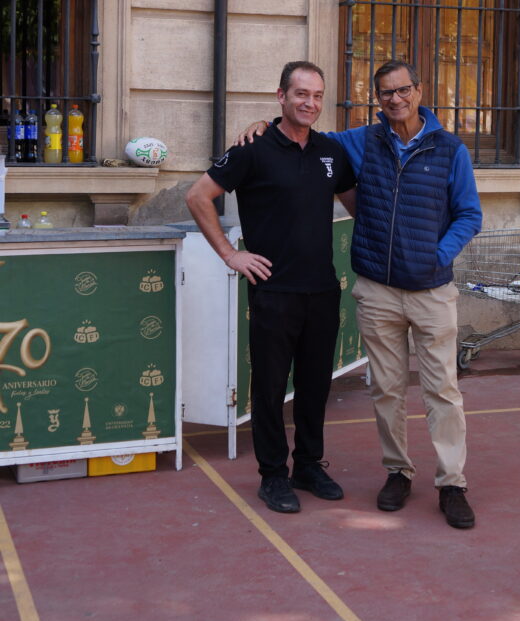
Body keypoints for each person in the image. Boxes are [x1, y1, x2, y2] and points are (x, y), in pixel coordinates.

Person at [238, 60, 483, 529]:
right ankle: (397, 473)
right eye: (386, 93)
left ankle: (452, 483)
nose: (395, 99)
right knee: (386, 389)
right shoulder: (357, 142)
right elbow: (301, 129)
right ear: (378, 99)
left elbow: (469, 215)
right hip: (377, 289)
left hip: (431, 291)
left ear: (419, 90)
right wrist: (262, 126)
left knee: (443, 391)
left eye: (403, 90)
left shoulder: (450, 149)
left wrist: (437, 254)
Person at [186, 61, 356, 514]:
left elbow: (358, 204)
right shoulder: (252, 147)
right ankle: (273, 475)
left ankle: (308, 466)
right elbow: (198, 196)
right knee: (269, 388)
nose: (311, 103)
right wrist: (230, 254)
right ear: (281, 96)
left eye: (318, 95)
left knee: (316, 385)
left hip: (322, 290)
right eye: (301, 94)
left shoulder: (331, 152)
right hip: (274, 291)